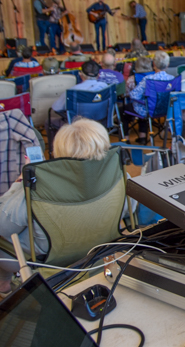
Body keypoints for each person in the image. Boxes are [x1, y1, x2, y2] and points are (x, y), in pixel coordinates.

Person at [0, 119, 116, 297]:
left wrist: (19, 183)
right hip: (98, 249)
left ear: (58, 151)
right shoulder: (117, 176)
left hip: (47, 260)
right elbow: (129, 209)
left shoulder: (37, 188)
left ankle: (4, 285)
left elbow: (3, 226)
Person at [126, 51, 173, 143]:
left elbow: (134, 95)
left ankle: (127, 139)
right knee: (144, 104)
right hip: (166, 110)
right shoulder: (172, 79)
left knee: (128, 108)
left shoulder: (148, 79)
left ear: (154, 64)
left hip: (150, 110)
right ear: (168, 64)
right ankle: (142, 136)